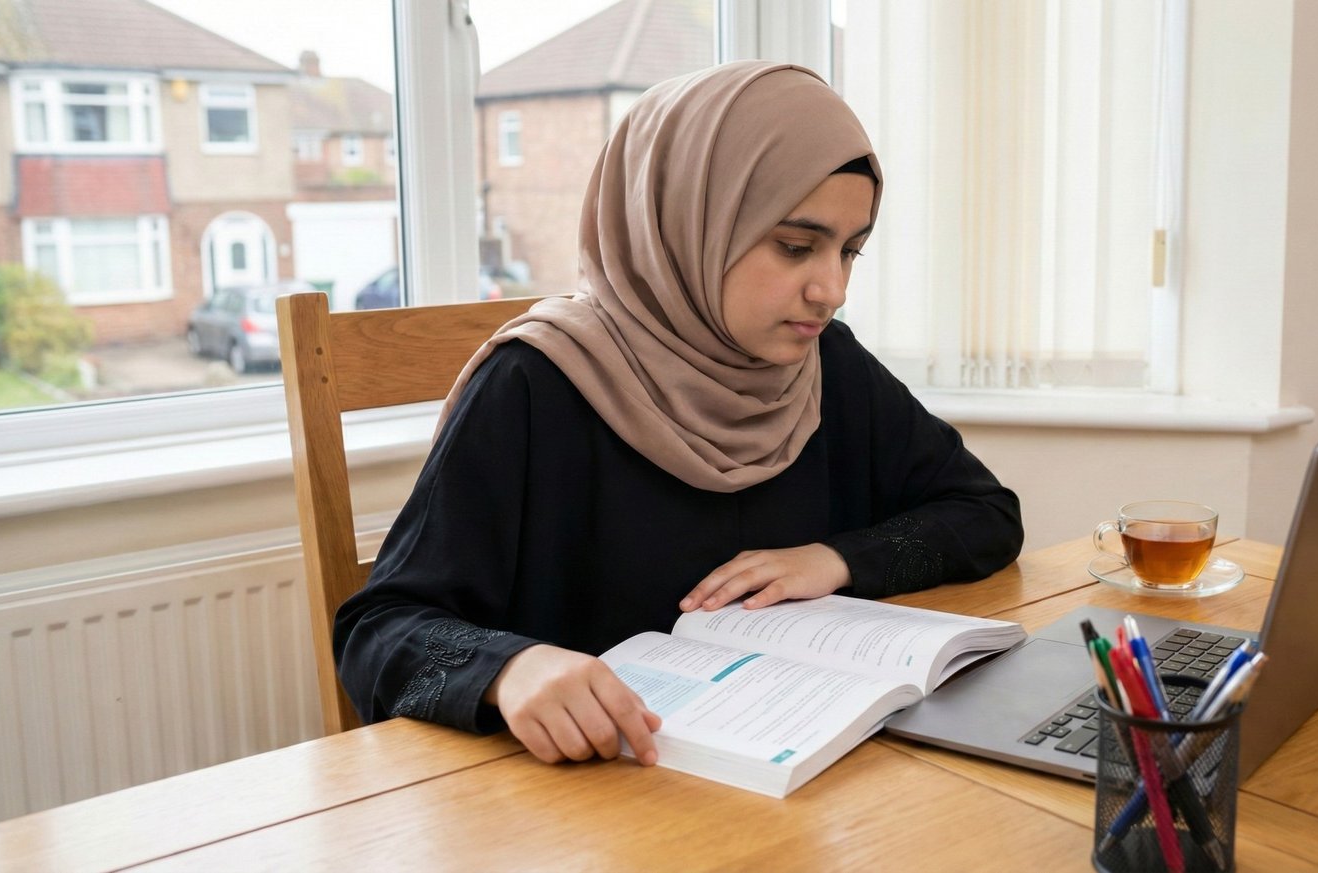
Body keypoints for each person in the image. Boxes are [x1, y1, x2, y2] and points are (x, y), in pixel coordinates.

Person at [335, 60, 1022, 770]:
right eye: (795, 245)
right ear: (691, 221)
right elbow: (377, 630)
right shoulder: (535, 384)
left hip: (806, 780)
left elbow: (985, 512)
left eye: (850, 251)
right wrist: (512, 668)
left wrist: (837, 559)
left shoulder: (825, 367)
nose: (832, 288)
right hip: (589, 806)